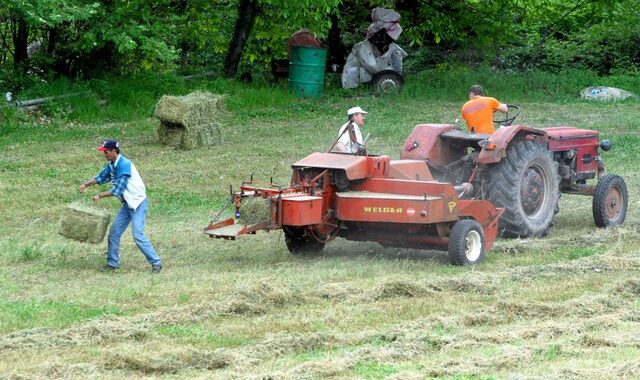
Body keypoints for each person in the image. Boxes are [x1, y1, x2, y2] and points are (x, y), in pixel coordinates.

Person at [79, 140, 162, 273]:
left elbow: (118, 189)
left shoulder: (124, 165)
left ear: (113, 151)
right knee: (114, 232)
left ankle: (156, 262)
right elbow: (101, 177)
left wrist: (100, 195)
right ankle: (112, 263)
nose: (104, 154)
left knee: (138, 235)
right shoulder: (112, 165)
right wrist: (86, 184)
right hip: (127, 204)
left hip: (138, 204)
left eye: (105, 152)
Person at [341, 8, 407, 89]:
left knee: (391, 67)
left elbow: (397, 71)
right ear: (376, 36)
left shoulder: (387, 46)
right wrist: (389, 52)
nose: (388, 41)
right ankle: (356, 90)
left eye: (390, 39)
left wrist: (394, 52)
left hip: (373, 79)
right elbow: (376, 69)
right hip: (352, 82)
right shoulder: (362, 47)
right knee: (356, 71)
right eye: (386, 38)